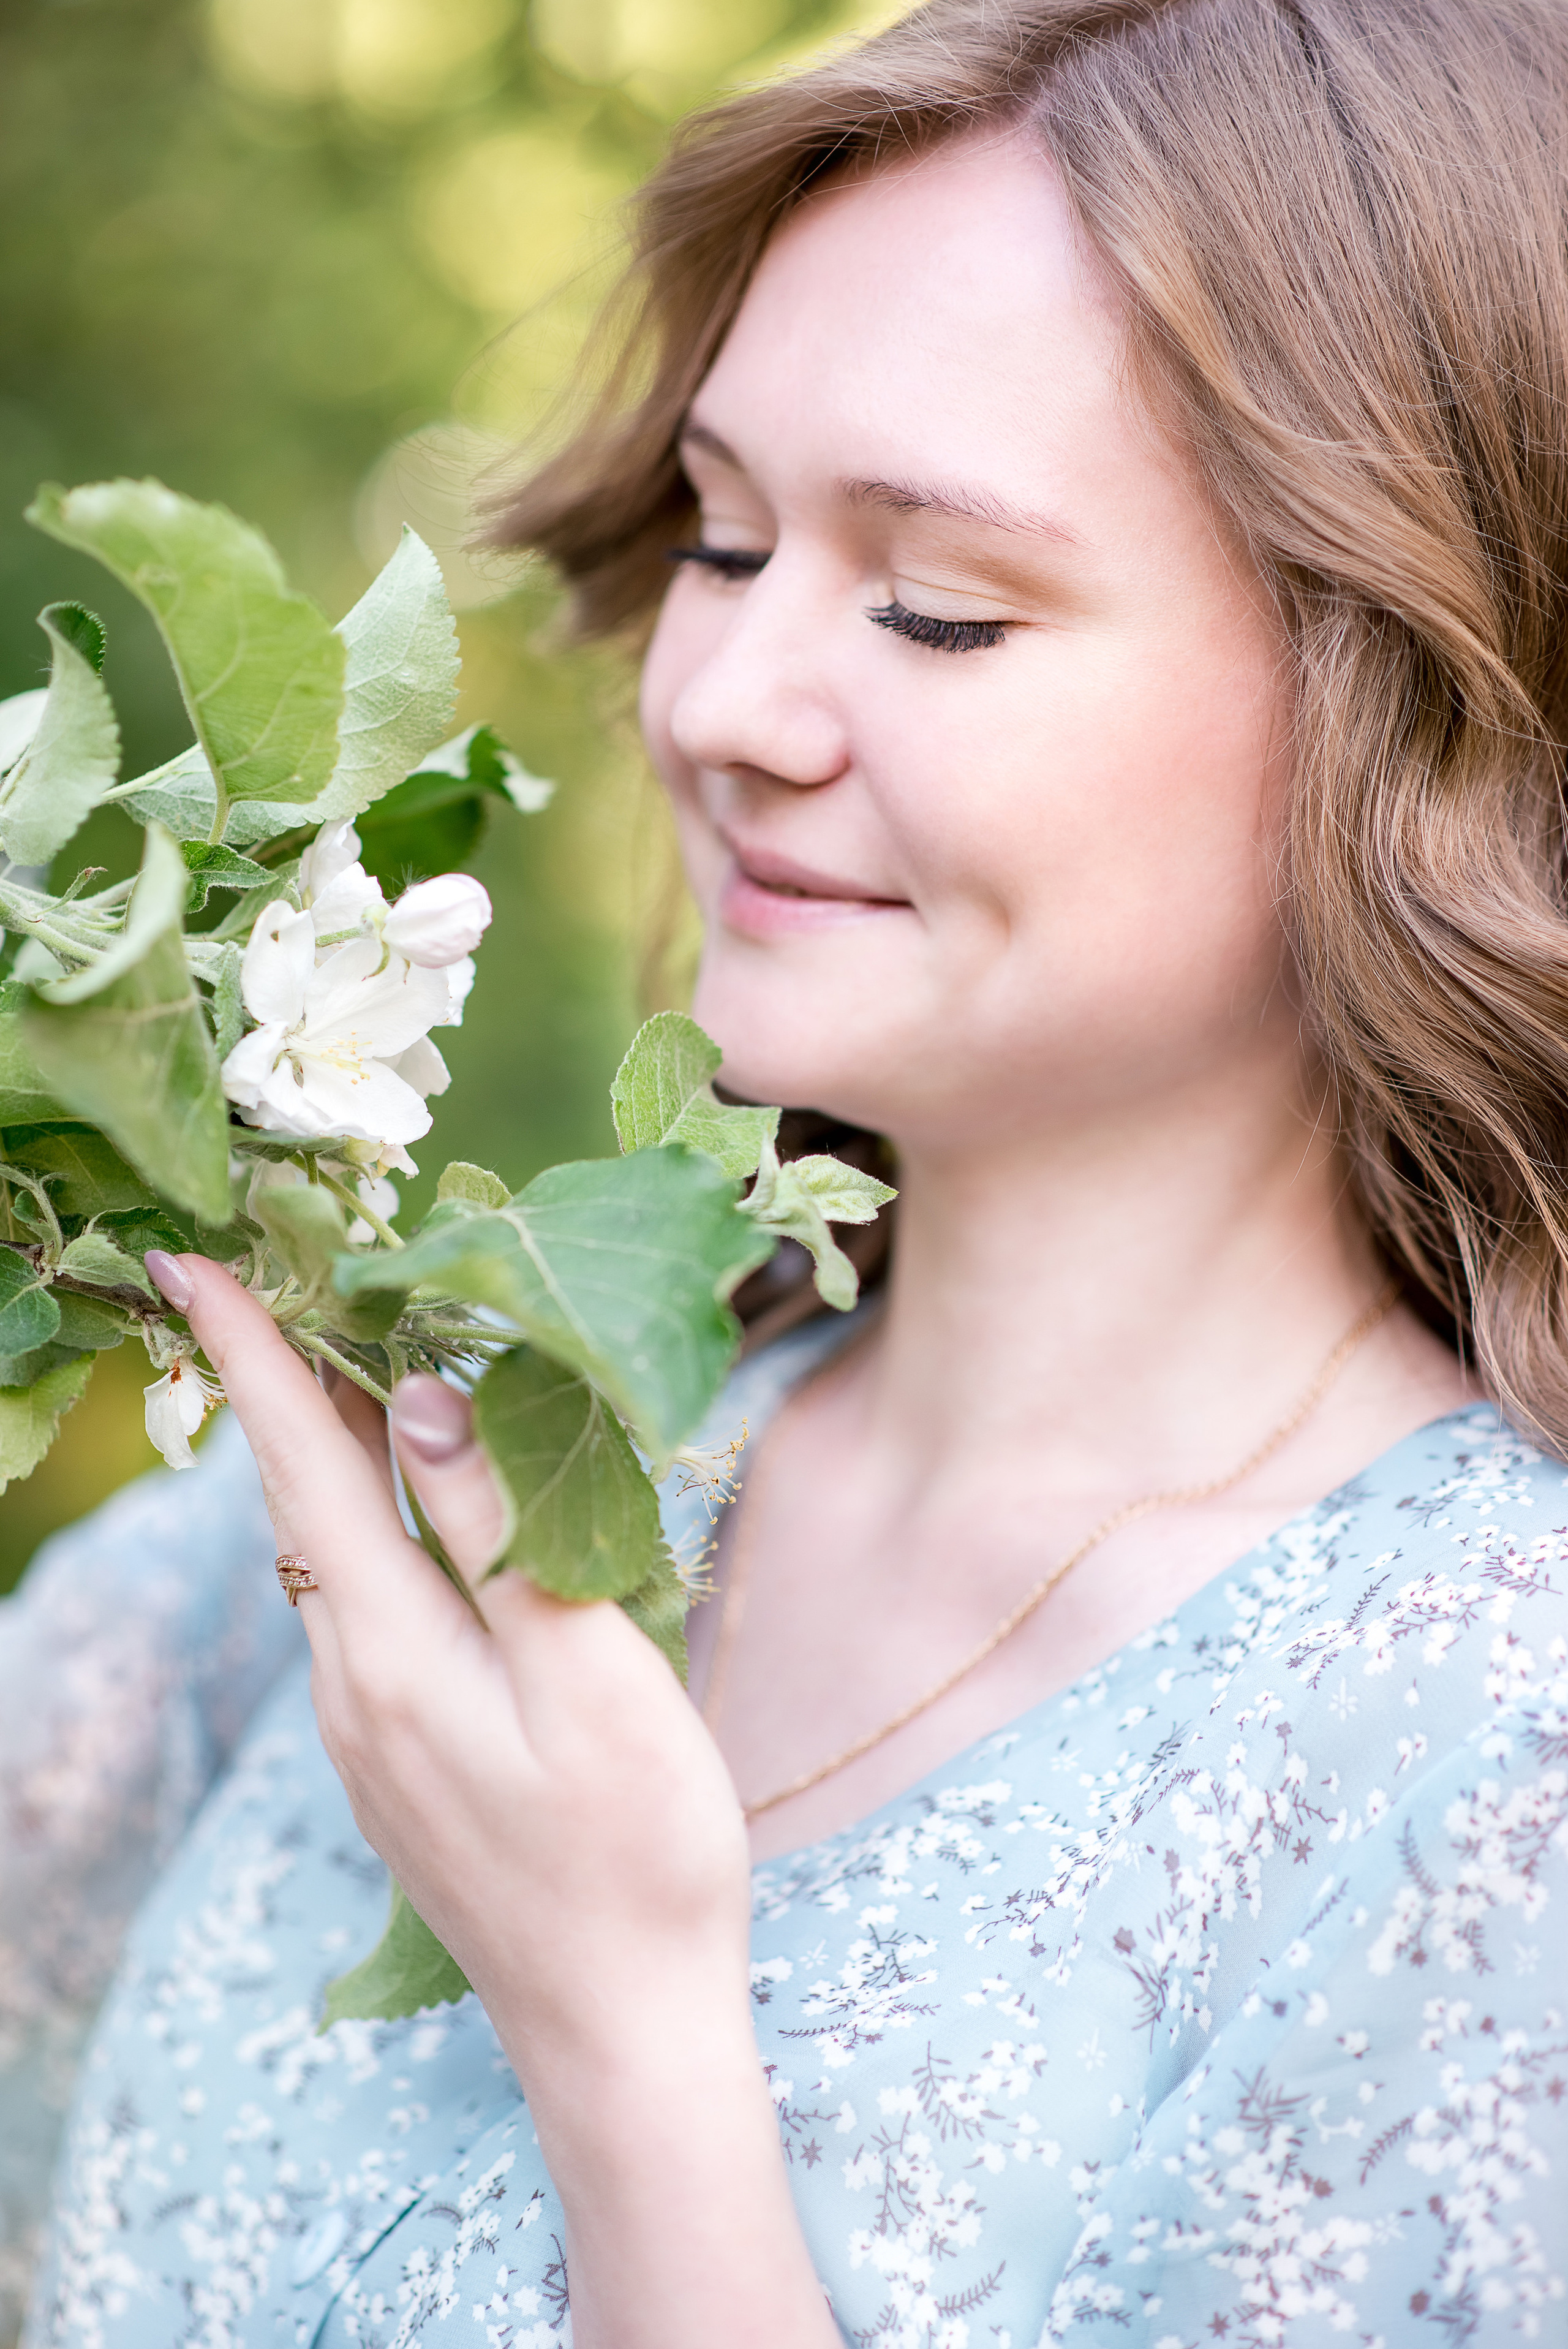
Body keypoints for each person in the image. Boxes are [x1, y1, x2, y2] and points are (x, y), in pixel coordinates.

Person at [6, 0, 1568, 2340]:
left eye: (939, 601)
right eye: (728, 542)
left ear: (1411, 695)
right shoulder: (367, 1540)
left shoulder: (1491, 1774)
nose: (724, 703)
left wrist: (628, 2036)